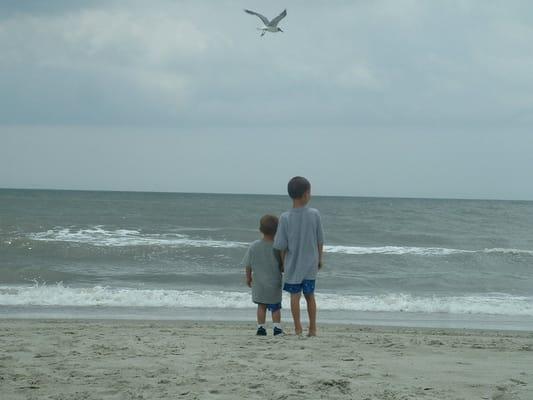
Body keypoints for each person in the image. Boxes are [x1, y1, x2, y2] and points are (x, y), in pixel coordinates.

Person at [274, 176, 324, 337]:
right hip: (310, 265)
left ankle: (298, 329)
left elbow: (281, 245)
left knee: (294, 297)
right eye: (309, 192)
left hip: (293, 265)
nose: (310, 195)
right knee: (310, 296)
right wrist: (320, 259)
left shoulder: (285, 217)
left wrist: (282, 263)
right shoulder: (314, 214)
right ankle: (313, 329)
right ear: (304, 194)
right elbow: (320, 240)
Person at [241, 214, 284, 336]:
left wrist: (248, 277)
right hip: (274, 282)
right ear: (277, 230)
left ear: (260, 230)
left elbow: (248, 264)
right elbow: (283, 265)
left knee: (261, 306)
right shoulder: (278, 246)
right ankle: (277, 328)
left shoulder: (254, 245)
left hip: (259, 282)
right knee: (275, 307)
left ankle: (261, 328)